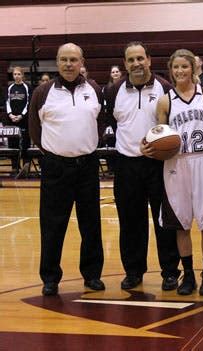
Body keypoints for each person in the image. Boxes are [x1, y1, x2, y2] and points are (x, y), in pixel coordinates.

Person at [28, 43, 105, 296]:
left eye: (73, 59)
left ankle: (92, 275)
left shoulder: (93, 89)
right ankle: (50, 278)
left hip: (87, 166)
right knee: (52, 225)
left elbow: (100, 123)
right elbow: (34, 130)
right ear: (57, 62)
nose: (69, 64)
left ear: (82, 61)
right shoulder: (42, 92)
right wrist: (55, 152)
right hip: (55, 168)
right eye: (64, 60)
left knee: (91, 224)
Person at [105, 41, 180, 291]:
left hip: (158, 165)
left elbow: (173, 126)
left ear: (148, 59)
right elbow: (115, 126)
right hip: (127, 166)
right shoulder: (114, 91)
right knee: (130, 222)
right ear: (125, 63)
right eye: (131, 60)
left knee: (164, 220)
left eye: (140, 58)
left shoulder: (165, 88)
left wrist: (159, 148)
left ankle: (170, 272)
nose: (136, 64)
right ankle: (134, 271)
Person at [156, 49, 203, 296]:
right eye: (176, 67)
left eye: (184, 66)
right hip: (177, 163)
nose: (180, 71)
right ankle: (189, 275)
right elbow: (159, 134)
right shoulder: (165, 101)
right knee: (181, 224)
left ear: (193, 68)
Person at [5, 66, 32, 176]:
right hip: (12, 119)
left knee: (25, 142)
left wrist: (21, 115)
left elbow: (28, 103)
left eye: (18, 74)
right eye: (15, 74)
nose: (16, 76)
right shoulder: (10, 87)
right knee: (13, 143)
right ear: (13, 75)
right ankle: (15, 167)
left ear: (22, 75)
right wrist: (10, 114)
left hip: (23, 119)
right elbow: (7, 102)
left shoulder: (27, 87)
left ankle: (25, 167)